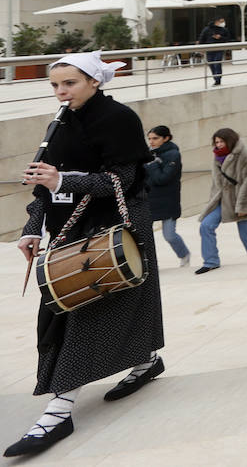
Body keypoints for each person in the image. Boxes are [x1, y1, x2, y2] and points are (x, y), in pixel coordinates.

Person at [8, 52, 166, 457]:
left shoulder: (119, 119)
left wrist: (64, 179)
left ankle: (59, 411)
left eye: (69, 84)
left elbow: (122, 181)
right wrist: (31, 229)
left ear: (94, 81)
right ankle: (147, 361)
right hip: (70, 227)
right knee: (64, 308)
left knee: (88, 310)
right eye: (55, 85)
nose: (61, 92)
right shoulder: (58, 122)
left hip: (114, 225)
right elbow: (45, 186)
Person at [196, 128, 247, 273]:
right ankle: (211, 261)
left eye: (221, 141)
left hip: (240, 199)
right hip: (221, 199)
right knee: (206, 226)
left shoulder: (244, 154)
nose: (218, 145)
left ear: (230, 140)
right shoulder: (217, 156)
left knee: (246, 231)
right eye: (216, 142)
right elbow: (216, 182)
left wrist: (243, 206)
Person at [145, 124, 190, 268]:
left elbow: (162, 178)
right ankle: (149, 265)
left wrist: (152, 165)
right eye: (149, 139)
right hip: (149, 201)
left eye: (155, 138)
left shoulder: (173, 155)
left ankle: (184, 255)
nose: (151, 142)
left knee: (169, 235)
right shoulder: (149, 155)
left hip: (168, 201)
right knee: (144, 237)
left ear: (166, 138)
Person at [199, 16, 233, 86]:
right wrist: (201, 48)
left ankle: (218, 79)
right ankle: (215, 77)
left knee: (217, 63)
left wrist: (220, 37)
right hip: (209, 49)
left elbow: (228, 38)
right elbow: (202, 38)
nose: (223, 23)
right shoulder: (207, 29)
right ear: (216, 22)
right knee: (211, 64)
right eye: (221, 21)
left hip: (219, 49)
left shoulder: (224, 30)